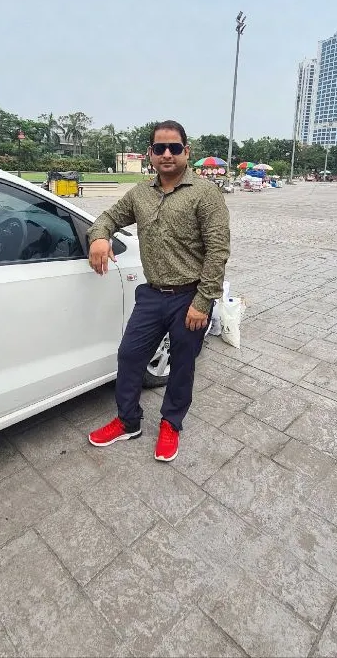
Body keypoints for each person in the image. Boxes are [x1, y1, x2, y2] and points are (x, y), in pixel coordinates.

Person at [87, 120, 230, 462]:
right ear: (150, 153)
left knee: (182, 365)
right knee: (129, 356)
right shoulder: (140, 194)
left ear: (186, 152)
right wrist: (100, 237)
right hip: (151, 295)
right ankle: (128, 421)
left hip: (190, 297)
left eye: (175, 148)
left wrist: (203, 300)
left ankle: (171, 423)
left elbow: (218, 250)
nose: (167, 154)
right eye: (160, 148)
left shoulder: (205, 194)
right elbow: (107, 217)